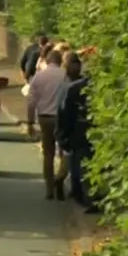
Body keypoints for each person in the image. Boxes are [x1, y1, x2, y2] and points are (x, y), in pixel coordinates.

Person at [56, 52, 99, 214]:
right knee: (83, 168)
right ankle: (89, 197)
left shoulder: (73, 88)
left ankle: (86, 198)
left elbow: (63, 114)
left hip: (78, 135)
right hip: (84, 134)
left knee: (79, 168)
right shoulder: (80, 88)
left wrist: (62, 135)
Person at [27, 50, 68, 200]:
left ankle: (49, 188)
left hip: (45, 118)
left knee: (48, 154)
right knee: (64, 152)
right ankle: (61, 177)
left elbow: (31, 102)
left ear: (48, 60)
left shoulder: (39, 76)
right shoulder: (65, 76)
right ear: (60, 61)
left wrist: (30, 122)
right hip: (62, 118)